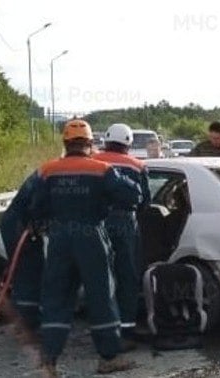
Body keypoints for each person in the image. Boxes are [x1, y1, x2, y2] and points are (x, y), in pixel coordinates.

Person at [31, 119, 144, 376]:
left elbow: (36, 205)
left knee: (56, 297)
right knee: (101, 295)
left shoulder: (47, 170)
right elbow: (133, 196)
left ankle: (49, 361)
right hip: (91, 236)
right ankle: (108, 357)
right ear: (90, 143)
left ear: (65, 143)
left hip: (59, 238)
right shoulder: (102, 170)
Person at [92, 123, 152, 347]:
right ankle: (126, 328)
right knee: (127, 273)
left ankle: (103, 327)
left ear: (106, 140)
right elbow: (145, 201)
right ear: (128, 143)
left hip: (96, 223)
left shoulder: (93, 161)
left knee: (100, 275)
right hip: (125, 222)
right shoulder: (137, 165)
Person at [0, 171, 43, 344]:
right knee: (28, 272)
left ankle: (29, 322)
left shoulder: (51, 171)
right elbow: (39, 204)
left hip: (22, 223)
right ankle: (27, 325)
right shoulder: (55, 175)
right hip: (20, 226)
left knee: (32, 270)